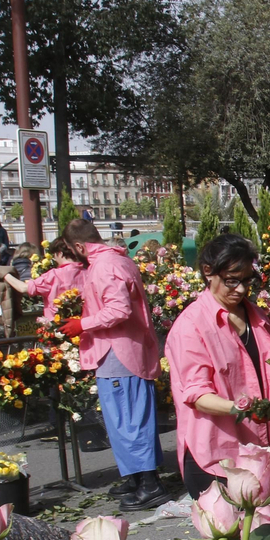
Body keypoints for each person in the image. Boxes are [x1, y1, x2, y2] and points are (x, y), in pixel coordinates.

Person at [165, 234, 270, 516]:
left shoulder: (259, 318)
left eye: (247, 281)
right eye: (231, 280)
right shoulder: (191, 326)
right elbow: (197, 395)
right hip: (218, 456)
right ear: (208, 272)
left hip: (264, 452)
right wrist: (243, 409)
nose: (240, 289)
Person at [58, 219, 169, 511]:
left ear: (79, 246)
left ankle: (149, 484)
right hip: (118, 351)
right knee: (125, 421)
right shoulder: (114, 261)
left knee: (129, 421)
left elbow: (118, 309)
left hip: (119, 352)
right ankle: (137, 478)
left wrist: (82, 324)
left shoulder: (107, 265)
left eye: (72, 250)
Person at [4, 238, 85, 321]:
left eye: (54, 255)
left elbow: (23, 288)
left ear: (60, 254)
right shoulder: (87, 272)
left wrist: (4, 274)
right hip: (83, 326)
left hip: (58, 326)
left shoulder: (54, 275)